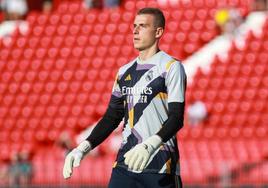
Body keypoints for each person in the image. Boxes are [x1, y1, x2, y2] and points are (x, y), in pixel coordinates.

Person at [63, 7, 186, 188]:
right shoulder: (124, 72)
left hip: (159, 165)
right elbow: (112, 117)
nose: (135, 31)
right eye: (134, 26)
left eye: (143, 26)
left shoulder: (170, 67)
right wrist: (83, 148)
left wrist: (150, 145)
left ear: (158, 31)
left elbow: (176, 118)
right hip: (125, 164)